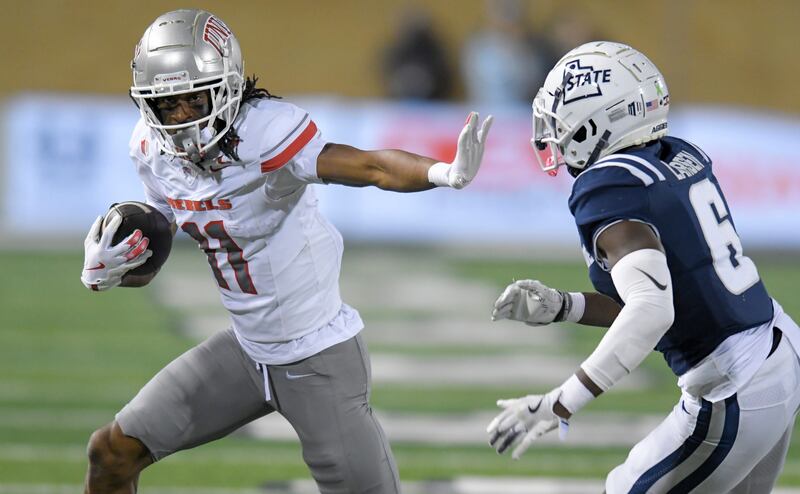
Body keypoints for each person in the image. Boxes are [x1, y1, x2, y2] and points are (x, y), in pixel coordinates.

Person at [80, 9, 492, 494]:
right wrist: (112, 268)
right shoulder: (151, 149)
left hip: (317, 356)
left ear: (226, 88)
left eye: (194, 99)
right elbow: (159, 239)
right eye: (167, 104)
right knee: (111, 454)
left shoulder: (265, 132)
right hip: (244, 352)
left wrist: (441, 173)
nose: (182, 117)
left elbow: (371, 166)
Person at [487, 41, 800, 493]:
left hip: (734, 384)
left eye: (560, 120)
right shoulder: (674, 154)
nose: (552, 134)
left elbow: (652, 310)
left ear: (595, 121)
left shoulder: (608, 185)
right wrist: (564, 306)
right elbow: (661, 296)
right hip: (776, 351)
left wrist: (562, 401)